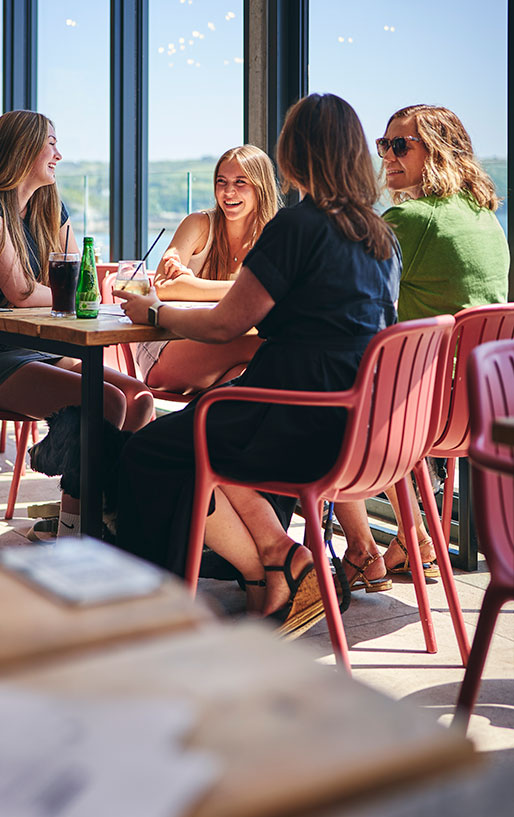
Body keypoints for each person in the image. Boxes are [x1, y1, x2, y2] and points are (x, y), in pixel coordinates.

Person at [114, 94, 401, 638]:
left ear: (291, 153)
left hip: (292, 414)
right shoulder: (380, 236)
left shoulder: (298, 226)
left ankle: (165, 609)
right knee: (204, 430)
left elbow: (226, 324)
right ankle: (278, 564)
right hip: (360, 425)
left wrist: (155, 310)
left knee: (148, 452)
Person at [0, 109, 154, 539]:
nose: (59, 154)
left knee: (139, 399)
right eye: (52, 143)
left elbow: (82, 285)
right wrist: (75, 298)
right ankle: (76, 530)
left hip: (40, 348)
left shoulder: (48, 205)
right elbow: (21, 293)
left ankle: (113, 512)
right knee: (105, 402)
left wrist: (78, 296)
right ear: (24, 147)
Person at [334, 104, 510, 591]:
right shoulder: (486, 218)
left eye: (401, 145)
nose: (387, 155)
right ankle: (415, 544)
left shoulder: (412, 218)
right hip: (478, 406)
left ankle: (361, 550)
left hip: (421, 407)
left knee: (328, 391)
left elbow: (339, 290)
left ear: (438, 153)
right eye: (383, 144)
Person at [134, 145, 278, 393]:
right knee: (264, 345)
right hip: (167, 345)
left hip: (224, 355)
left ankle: (195, 430)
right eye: (221, 182)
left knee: (240, 384)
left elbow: (279, 295)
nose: (228, 191)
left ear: (260, 187)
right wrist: (247, 289)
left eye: (240, 182)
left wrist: (194, 286)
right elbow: (164, 288)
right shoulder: (199, 224)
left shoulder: (272, 236)